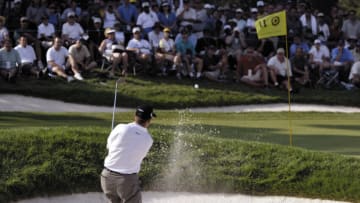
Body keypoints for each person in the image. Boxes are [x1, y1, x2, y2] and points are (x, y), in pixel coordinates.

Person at [101, 105, 156, 203]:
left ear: (135, 116)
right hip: (127, 180)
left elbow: (109, 146)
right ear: (149, 120)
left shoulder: (120, 127)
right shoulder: (148, 139)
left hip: (106, 177)